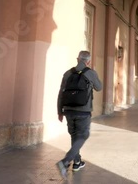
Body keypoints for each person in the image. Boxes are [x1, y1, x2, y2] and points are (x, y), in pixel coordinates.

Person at [56, 50, 102, 179]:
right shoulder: (90, 73)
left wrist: (60, 111)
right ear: (88, 61)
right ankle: (65, 161)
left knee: (74, 136)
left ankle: (77, 162)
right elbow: (99, 87)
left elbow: (61, 94)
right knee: (83, 135)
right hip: (83, 111)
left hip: (69, 111)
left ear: (77, 59)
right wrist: (93, 77)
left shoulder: (67, 73)